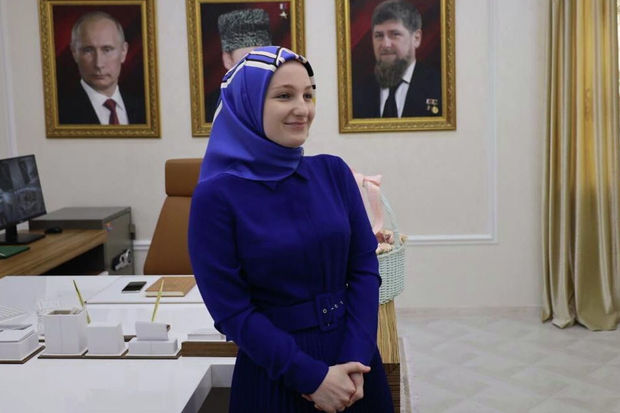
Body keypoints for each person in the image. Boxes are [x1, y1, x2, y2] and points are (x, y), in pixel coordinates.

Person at [188, 46, 393, 412]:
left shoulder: (333, 172)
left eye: (308, 95)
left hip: (356, 367)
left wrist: (356, 358)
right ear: (248, 104)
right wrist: (312, 378)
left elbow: (364, 269)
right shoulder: (216, 196)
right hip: (278, 375)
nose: (302, 108)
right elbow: (232, 311)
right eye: (284, 95)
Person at [353, 0, 442, 119]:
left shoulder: (440, 87)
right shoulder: (357, 92)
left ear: (416, 38)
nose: (385, 44)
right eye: (379, 35)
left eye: (395, 34)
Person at [57, 11, 145, 125]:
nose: (98, 64)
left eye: (107, 50)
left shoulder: (144, 108)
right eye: (88, 50)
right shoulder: (58, 112)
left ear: (124, 52)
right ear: (74, 53)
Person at [204, 8, 272, 122]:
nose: (254, 65)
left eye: (261, 57)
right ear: (227, 60)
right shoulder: (213, 106)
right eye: (246, 58)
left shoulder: (281, 97)